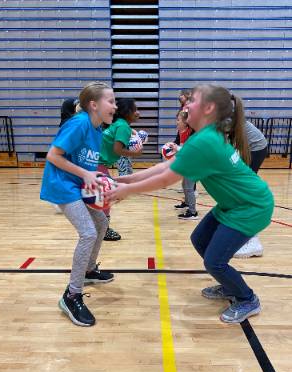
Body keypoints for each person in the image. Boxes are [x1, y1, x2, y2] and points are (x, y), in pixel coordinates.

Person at [105, 84, 274, 324]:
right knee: (199, 240)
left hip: (250, 207)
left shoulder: (207, 141)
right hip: (233, 204)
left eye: (191, 100)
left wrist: (126, 190)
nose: (185, 105)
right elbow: (165, 166)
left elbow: (166, 179)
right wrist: (125, 180)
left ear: (208, 108)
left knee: (214, 261)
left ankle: (247, 299)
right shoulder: (204, 135)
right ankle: (229, 285)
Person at [40, 81, 116, 327]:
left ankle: (89, 270)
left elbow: (89, 166)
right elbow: (53, 155)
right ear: (93, 105)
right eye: (111, 101)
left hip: (78, 185)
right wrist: (85, 175)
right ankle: (71, 295)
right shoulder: (79, 123)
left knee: (102, 223)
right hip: (62, 185)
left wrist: (103, 181)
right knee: (88, 233)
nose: (115, 106)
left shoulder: (97, 129)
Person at [98, 98, 143, 241]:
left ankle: (100, 227)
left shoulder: (120, 124)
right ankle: (103, 229)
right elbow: (117, 150)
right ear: (127, 112)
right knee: (108, 197)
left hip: (96, 162)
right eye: (135, 109)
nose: (138, 112)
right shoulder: (123, 126)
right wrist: (135, 153)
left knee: (104, 196)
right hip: (98, 164)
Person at [233, 121, 268, 258]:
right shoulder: (224, 114)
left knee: (245, 191)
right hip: (250, 148)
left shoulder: (225, 116)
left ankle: (253, 241)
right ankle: (248, 237)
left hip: (256, 148)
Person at [172, 111, 198, 220]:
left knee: (189, 187)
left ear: (186, 122)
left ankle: (192, 212)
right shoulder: (181, 132)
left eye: (178, 120)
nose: (176, 122)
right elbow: (178, 145)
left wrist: (177, 148)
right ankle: (187, 203)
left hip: (194, 163)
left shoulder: (191, 133)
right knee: (185, 185)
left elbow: (189, 150)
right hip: (187, 163)